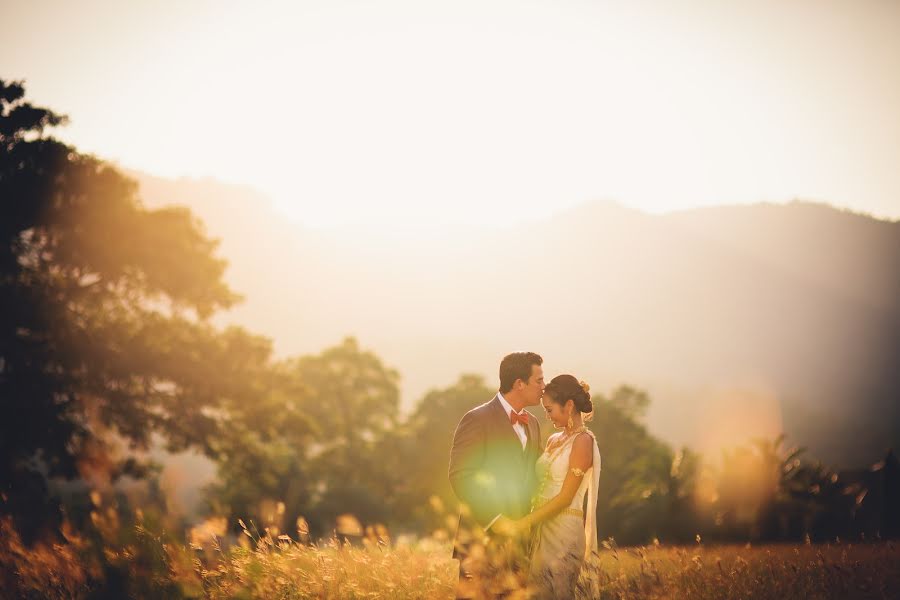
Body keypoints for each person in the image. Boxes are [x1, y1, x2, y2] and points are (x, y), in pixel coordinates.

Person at [448, 351, 545, 599]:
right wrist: (496, 521)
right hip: (482, 541)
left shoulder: (533, 423)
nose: (544, 387)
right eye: (539, 381)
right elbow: (461, 475)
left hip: (520, 546)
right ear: (519, 384)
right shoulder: (476, 418)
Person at [514, 374, 601, 599]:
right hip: (542, 528)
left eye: (550, 409)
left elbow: (565, 497)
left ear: (569, 405)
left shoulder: (583, 442)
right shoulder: (553, 439)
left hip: (564, 530)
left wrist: (525, 522)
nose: (547, 415)